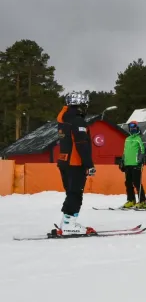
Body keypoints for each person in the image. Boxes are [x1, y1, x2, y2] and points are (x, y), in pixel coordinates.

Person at [54, 91, 96, 235]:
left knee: (71, 192)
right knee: (76, 193)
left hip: (64, 161)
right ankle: (69, 224)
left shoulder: (64, 120)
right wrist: (89, 164)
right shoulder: (77, 121)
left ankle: (66, 221)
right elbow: (82, 143)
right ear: (80, 105)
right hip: (75, 162)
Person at [121, 121, 146, 209]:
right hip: (128, 164)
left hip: (136, 164)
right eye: (130, 128)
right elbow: (125, 151)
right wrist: (122, 161)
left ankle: (142, 201)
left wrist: (140, 160)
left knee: (137, 183)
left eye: (134, 127)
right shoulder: (127, 139)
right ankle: (131, 200)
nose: (132, 129)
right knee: (128, 183)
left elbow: (143, 150)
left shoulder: (140, 138)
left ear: (137, 128)